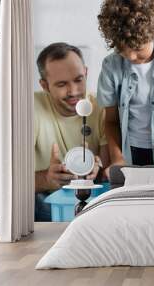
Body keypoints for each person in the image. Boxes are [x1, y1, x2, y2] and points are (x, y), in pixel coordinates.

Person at [97, 0, 154, 170]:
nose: (131, 56)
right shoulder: (110, 66)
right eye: (123, 49)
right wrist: (117, 158)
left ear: (153, 35)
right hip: (130, 151)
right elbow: (110, 121)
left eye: (138, 49)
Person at [34, 42, 110, 221]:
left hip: (92, 199)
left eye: (78, 80)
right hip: (44, 199)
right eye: (61, 84)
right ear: (44, 85)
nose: (74, 91)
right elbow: (7, 179)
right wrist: (47, 178)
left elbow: (107, 168)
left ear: (86, 73)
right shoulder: (30, 108)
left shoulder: (101, 107)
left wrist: (96, 170)